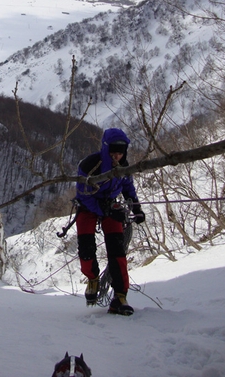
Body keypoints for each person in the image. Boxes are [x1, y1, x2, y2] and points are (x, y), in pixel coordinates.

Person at [75, 127, 145, 315]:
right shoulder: (90, 164)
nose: (117, 156)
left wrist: (136, 209)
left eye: (120, 152)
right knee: (86, 248)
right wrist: (103, 209)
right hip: (88, 207)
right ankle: (93, 278)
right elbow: (82, 193)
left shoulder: (124, 168)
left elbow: (128, 189)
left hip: (111, 207)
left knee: (117, 250)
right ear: (105, 148)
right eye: (113, 151)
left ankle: (120, 296)